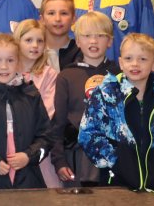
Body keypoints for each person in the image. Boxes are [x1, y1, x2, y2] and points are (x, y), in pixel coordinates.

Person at [79, 33, 154, 191]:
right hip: (114, 184)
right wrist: (115, 161)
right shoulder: (105, 93)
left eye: (143, 59)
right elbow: (88, 134)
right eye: (129, 59)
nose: (135, 64)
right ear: (121, 63)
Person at [0, 34, 51, 189]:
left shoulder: (31, 96)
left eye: (10, 60)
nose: (4, 66)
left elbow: (46, 137)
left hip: (28, 183)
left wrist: (28, 156)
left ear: (18, 62)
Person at [50, 12, 120, 187]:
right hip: (75, 159)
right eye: (87, 36)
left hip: (114, 159)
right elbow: (58, 123)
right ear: (78, 41)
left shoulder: (120, 75)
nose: (93, 41)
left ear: (110, 41)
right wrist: (59, 161)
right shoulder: (67, 75)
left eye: (100, 36)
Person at [13, 19, 61, 188]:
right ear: (17, 42)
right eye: (28, 40)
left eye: (40, 41)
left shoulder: (49, 74)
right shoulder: (6, 71)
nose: (35, 45)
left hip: (38, 147)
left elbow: (46, 113)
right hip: (11, 145)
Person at [39, 0, 81, 71]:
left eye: (64, 13)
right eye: (51, 13)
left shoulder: (81, 53)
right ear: (42, 19)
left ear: (73, 19)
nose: (57, 19)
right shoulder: (33, 51)